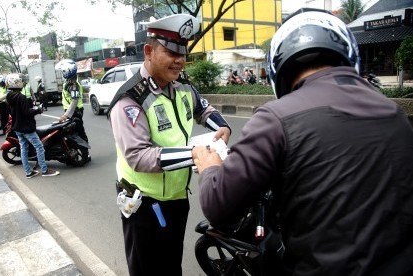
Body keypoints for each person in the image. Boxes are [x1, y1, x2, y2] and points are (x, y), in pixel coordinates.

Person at [194, 8, 413, 276]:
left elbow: (219, 206)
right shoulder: (394, 114)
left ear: (278, 68)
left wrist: (210, 167)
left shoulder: (275, 117)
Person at [107, 14, 231, 276]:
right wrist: (195, 155)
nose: (180, 61)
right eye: (171, 53)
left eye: (183, 53)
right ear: (149, 51)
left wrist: (222, 127)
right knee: (147, 270)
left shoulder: (182, 85)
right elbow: (138, 157)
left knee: (172, 265)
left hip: (176, 198)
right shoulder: (130, 100)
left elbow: (204, 109)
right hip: (144, 205)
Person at [5, 73, 60, 178]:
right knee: (39, 147)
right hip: (26, 127)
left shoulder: (9, 96)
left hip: (17, 127)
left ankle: (28, 172)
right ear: (17, 83)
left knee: (23, 149)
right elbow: (26, 112)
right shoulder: (20, 97)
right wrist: (37, 110)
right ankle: (44, 170)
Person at [55, 59, 90, 159]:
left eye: (63, 71)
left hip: (74, 112)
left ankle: (85, 154)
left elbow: (74, 101)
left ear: (68, 71)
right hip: (73, 111)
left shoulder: (73, 85)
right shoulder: (70, 82)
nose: (62, 73)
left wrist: (66, 115)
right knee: (74, 132)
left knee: (79, 132)